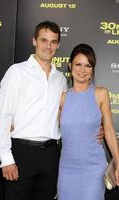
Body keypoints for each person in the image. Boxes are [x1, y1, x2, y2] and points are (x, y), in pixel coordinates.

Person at [0, 21, 104, 200]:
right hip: (22, 153)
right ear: (34, 41)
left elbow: (65, 117)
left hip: (51, 155)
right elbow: (3, 118)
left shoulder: (61, 79)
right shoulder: (16, 72)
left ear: (58, 45)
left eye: (53, 42)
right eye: (44, 40)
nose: (48, 46)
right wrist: (6, 159)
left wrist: (92, 130)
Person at [57, 43, 119, 200]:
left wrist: (118, 163)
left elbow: (110, 130)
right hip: (67, 170)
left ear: (93, 69)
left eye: (88, 65)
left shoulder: (101, 94)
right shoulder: (62, 97)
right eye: (78, 64)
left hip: (93, 170)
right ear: (70, 65)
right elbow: (48, 125)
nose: (82, 70)